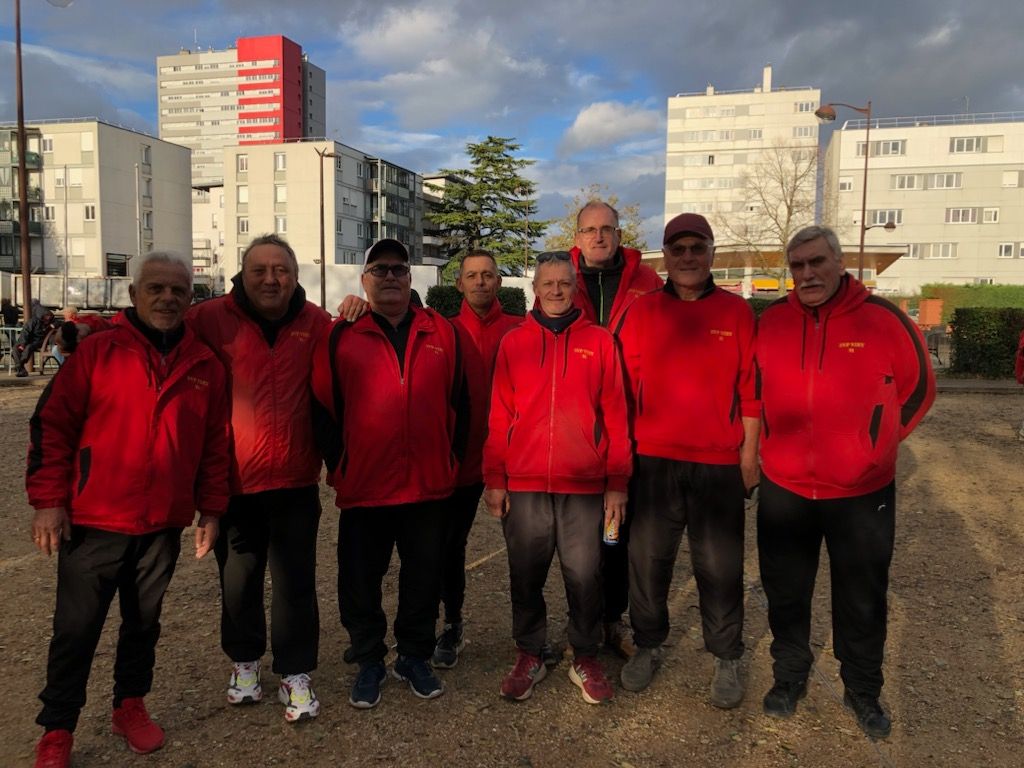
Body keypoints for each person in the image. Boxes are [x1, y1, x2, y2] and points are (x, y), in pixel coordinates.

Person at [25, 251, 229, 768]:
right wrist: (49, 502)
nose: (167, 298)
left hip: (162, 522)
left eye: (178, 291)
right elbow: (52, 425)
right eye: (156, 288)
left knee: (143, 623)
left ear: (190, 299)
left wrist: (211, 509)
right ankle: (58, 729)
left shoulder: (205, 364)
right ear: (134, 295)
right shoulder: (98, 353)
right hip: (94, 519)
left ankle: (129, 705)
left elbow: (214, 445)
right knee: (77, 629)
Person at [756, 225, 935, 739]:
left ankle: (862, 689)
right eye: (798, 265)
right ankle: (788, 677)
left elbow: (920, 387)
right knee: (786, 592)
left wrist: (875, 447)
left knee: (861, 597)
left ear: (838, 262)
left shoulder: (882, 319)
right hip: (786, 486)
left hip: (861, 492)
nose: (808, 273)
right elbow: (755, 389)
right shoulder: (773, 323)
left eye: (817, 262)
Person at [310, 238, 468, 710]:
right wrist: (341, 465)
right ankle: (369, 658)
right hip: (366, 486)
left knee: (423, 578)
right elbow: (322, 406)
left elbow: (462, 404)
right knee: (360, 580)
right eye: (380, 269)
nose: (391, 277)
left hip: (428, 485)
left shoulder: (442, 332)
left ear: (410, 277)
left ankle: (414, 656)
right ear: (364, 280)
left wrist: (451, 460)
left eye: (399, 269)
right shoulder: (341, 334)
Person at [617, 213, 758, 708]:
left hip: (717, 463)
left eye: (697, 248)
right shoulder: (642, 313)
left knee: (718, 565)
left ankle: (726, 655)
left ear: (712, 253)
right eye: (677, 249)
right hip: (653, 460)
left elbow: (750, 392)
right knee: (647, 562)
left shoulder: (737, 313)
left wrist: (749, 455)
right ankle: (649, 644)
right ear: (666, 257)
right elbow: (621, 392)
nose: (688, 258)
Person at [188, 234, 331, 722]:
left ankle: (295, 673)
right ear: (242, 275)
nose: (271, 279)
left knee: (295, 584)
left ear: (295, 276)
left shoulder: (317, 323)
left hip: (294, 481)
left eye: (281, 270)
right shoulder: (208, 320)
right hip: (234, 484)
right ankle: (244, 663)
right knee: (238, 581)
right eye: (260, 270)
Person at [484, 251, 631, 705]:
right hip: (525, 484)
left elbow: (618, 417)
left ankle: (585, 656)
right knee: (525, 575)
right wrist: (495, 478)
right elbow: (498, 416)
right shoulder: (513, 343)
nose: (555, 290)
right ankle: (530, 652)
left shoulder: (601, 341)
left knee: (585, 576)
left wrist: (617, 483)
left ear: (574, 286)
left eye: (563, 282)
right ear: (534, 287)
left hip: (584, 486)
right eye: (546, 283)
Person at [569, 200, 663, 658]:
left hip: (634, 425)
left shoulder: (648, 284)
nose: (599, 237)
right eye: (590, 230)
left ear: (621, 235)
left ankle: (614, 620)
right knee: (579, 539)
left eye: (607, 229)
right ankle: (583, 625)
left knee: (620, 534)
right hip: (581, 428)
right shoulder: (562, 280)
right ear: (578, 237)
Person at [432, 249, 523, 668]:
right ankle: (451, 624)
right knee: (449, 546)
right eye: (472, 275)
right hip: (463, 461)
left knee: (527, 550)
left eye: (488, 275)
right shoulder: (443, 332)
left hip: (515, 460)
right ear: (460, 284)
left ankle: (529, 636)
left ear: (499, 282)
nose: (481, 282)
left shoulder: (521, 331)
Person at [14, 308, 56, 377]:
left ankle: (19, 365)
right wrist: (22, 344)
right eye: (47, 315)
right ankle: (21, 369)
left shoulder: (51, 321)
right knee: (15, 349)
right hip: (28, 340)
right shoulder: (33, 321)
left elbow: (59, 322)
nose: (49, 317)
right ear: (42, 315)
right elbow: (25, 332)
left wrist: (53, 325)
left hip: (40, 341)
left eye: (50, 316)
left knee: (28, 347)